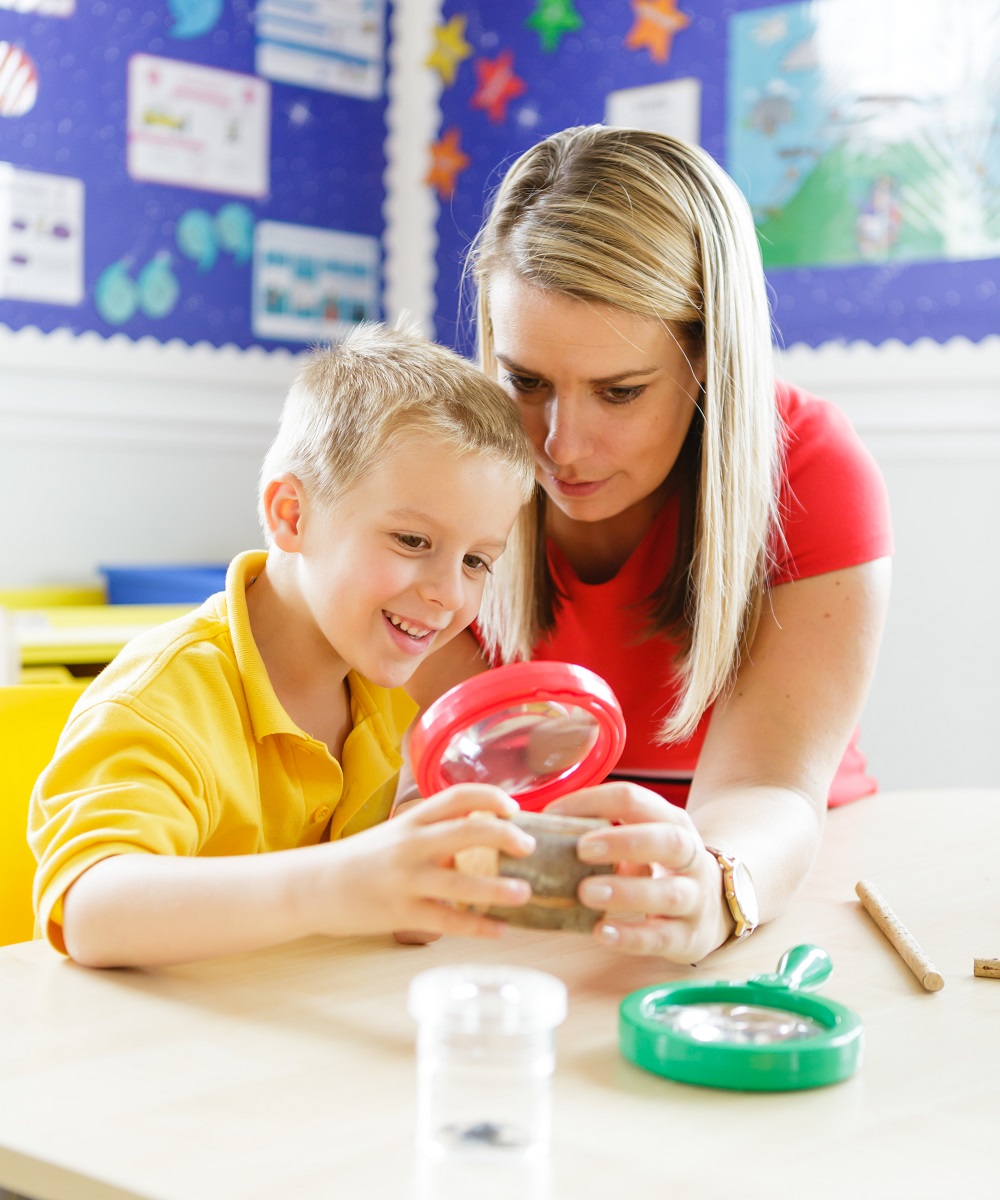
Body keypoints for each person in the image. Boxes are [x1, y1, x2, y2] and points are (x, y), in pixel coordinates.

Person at [402, 125, 893, 965]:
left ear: (709, 359)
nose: (560, 445)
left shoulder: (814, 471)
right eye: (525, 382)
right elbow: (461, 776)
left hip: (788, 880)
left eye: (620, 392)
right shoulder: (443, 481)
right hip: (552, 892)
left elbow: (766, 790)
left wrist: (714, 885)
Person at [29, 323, 540, 968]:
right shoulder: (163, 702)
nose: (448, 594)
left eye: (476, 561)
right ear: (292, 515)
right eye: (413, 542)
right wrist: (341, 882)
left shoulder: (383, 692)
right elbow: (89, 909)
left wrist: (415, 876)